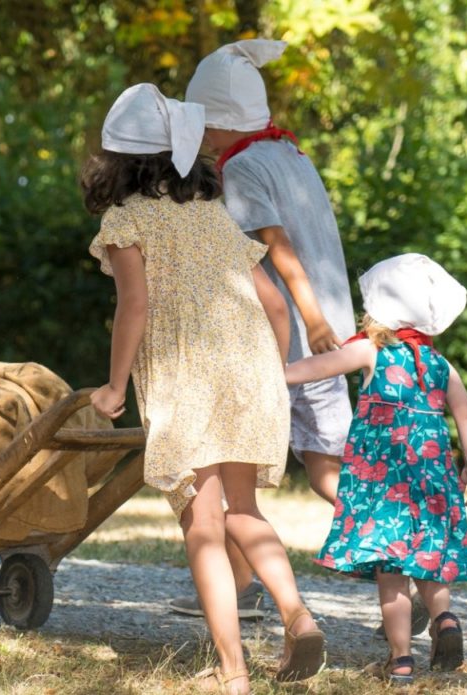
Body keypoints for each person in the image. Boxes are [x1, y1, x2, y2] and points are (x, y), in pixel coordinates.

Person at [173, 39, 431, 637]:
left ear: (219, 121)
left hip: (288, 339)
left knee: (250, 465)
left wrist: (310, 319)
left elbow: (277, 245)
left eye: (202, 122)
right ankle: (259, 586)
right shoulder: (289, 153)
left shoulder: (240, 168)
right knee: (320, 467)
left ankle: (399, 562)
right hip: (329, 332)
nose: (199, 135)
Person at [84, 82, 324, 694]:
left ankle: (232, 669)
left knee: (203, 523)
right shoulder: (211, 215)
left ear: (116, 161)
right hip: (251, 376)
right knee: (243, 511)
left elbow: (134, 307)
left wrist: (114, 387)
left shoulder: (126, 219)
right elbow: (275, 306)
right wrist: (269, 376)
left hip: (186, 379)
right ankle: (297, 615)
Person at [282, 253, 467, 685]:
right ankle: (445, 618)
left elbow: (315, 368)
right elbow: (466, 415)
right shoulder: (439, 364)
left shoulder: (371, 350)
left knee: (391, 569)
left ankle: (401, 659)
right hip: (433, 478)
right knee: (428, 558)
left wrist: (275, 374)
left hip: (384, 481)